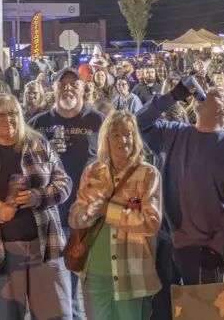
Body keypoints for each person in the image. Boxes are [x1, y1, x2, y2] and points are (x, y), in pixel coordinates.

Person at [0, 93, 73, 320]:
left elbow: (63, 182)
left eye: (11, 113)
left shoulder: (38, 144)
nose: (6, 119)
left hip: (45, 247)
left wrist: (38, 196)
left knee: (55, 315)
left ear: (19, 116)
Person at [136, 84, 224, 287]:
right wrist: (172, 95)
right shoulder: (173, 133)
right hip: (163, 240)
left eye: (215, 94)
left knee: (201, 310)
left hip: (202, 249)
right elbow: (139, 122)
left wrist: (218, 246)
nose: (205, 92)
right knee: (164, 310)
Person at [69, 111, 162, 320]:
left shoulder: (148, 174)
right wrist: (83, 216)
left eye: (128, 134)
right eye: (116, 135)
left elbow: (151, 223)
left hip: (132, 273)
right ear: (106, 139)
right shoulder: (92, 171)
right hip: (94, 273)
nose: (123, 140)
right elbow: (74, 214)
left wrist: (108, 211)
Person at [29, 67, 104, 320]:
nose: (68, 88)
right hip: (51, 218)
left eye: (74, 84)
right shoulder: (39, 123)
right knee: (59, 288)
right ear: (54, 89)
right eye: (63, 84)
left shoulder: (98, 120)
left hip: (86, 217)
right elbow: (21, 162)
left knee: (89, 287)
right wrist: (44, 152)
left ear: (84, 88)